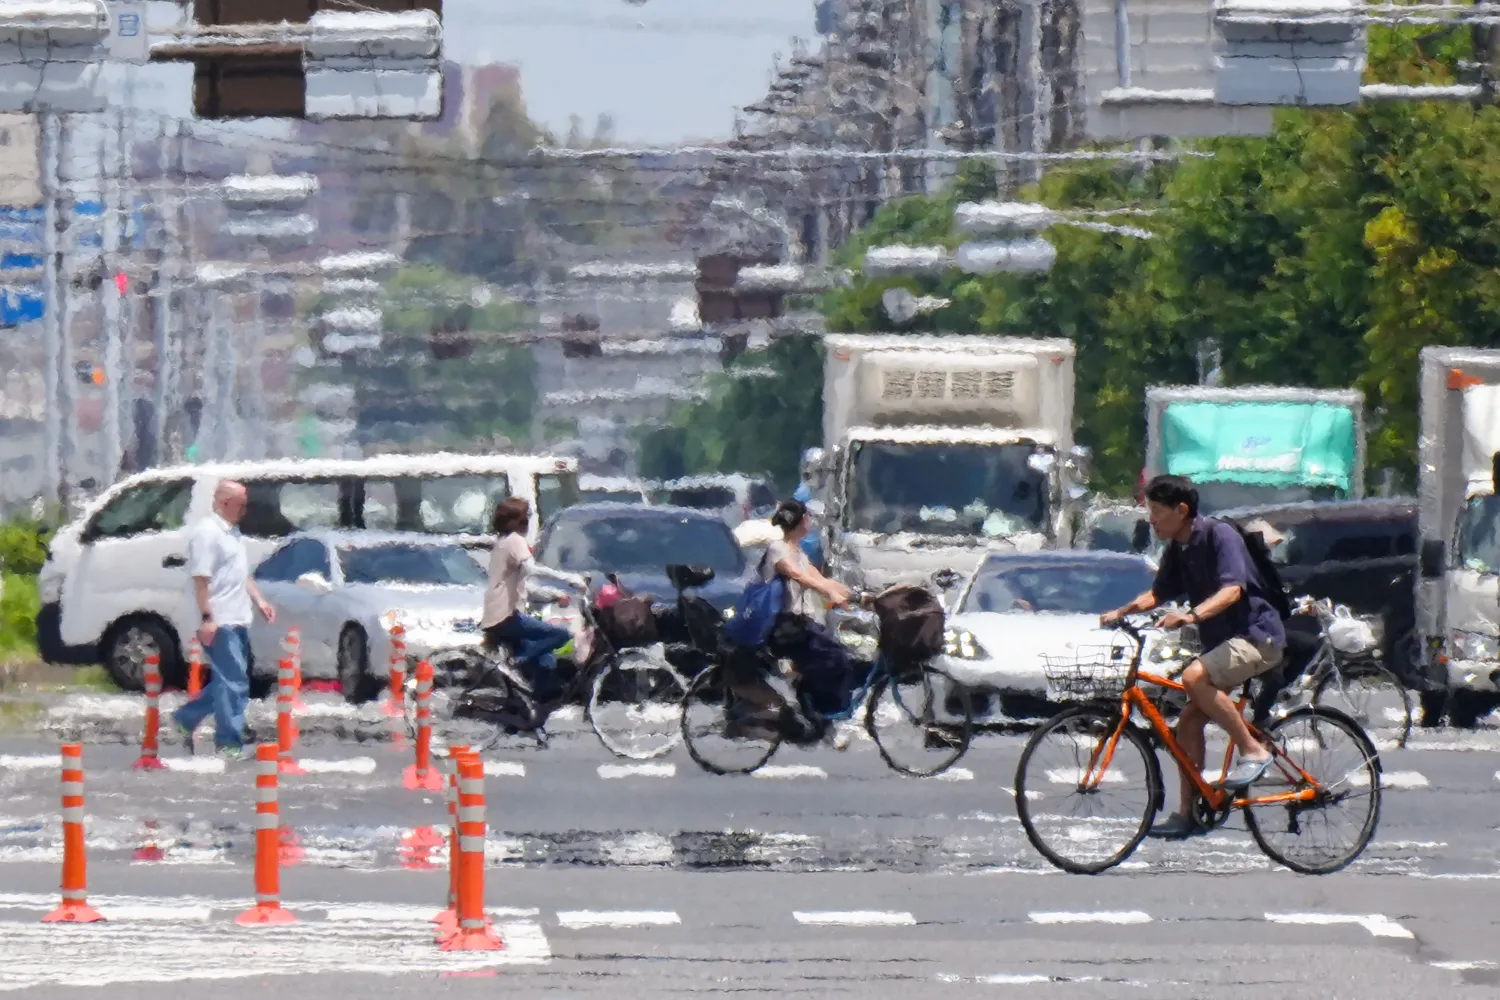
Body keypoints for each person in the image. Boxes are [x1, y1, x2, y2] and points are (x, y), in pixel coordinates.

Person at [1100, 475, 1287, 839]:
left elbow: (1233, 589)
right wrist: (1120, 612)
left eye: (1157, 510)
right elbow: (1158, 594)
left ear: (1181, 510)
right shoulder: (1179, 547)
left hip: (1257, 636)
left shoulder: (1220, 535)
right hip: (1226, 643)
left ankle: (1254, 751)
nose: (1151, 519)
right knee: (1187, 722)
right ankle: (1189, 813)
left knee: (1193, 678)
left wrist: (1192, 615)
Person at [173, 480, 276, 762]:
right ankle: (228, 742)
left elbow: (240, 574)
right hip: (219, 618)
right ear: (223, 502)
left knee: (231, 680)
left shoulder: (232, 534)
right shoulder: (207, 533)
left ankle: (185, 718)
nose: (244, 510)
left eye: (246, 504)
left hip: (238, 616)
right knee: (234, 682)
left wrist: (260, 601)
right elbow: (201, 579)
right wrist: (207, 618)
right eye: (240, 504)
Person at [761, 498, 857, 720]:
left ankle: (815, 706)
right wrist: (829, 592)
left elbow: (820, 579)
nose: (810, 522)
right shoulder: (778, 549)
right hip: (783, 627)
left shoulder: (799, 553)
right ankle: (820, 713)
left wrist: (859, 596)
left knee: (842, 655)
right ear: (802, 520)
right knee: (835, 659)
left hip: (799, 625)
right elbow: (799, 576)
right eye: (808, 517)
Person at [480, 497, 572, 701]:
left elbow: (524, 587)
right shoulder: (514, 540)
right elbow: (532, 569)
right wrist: (570, 580)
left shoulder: (502, 544)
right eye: (527, 518)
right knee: (562, 635)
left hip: (500, 614)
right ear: (518, 521)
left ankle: (534, 708)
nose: (529, 523)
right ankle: (514, 663)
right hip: (506, 615)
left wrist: (554, 595)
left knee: (545, 660)